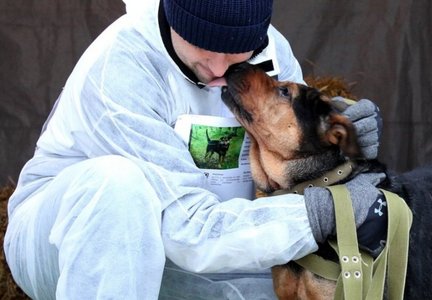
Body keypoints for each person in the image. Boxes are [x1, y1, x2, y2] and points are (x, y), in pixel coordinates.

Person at [3, 0, 386, 299]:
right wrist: (316, 215)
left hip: (218, 237)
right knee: (117, 186)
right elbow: (185, 232)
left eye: (237, 53)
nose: (220, 69)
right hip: (74, 238)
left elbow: (295, 148)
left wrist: (340, 131)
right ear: (175, 18)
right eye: (204, 47)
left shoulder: (270, 49)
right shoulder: (122, 69)